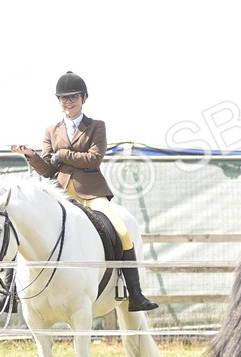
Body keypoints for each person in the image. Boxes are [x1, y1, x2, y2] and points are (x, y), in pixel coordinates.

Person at [10, 71, 157, 312]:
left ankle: (135, 294)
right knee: (26, 231)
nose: (68, 102)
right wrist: (32, 156)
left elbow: (94, 159)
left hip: (90, 192)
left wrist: (62, 155)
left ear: (84, 98)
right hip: (59, 195)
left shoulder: (96, 126)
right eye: (63, 98)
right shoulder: (51, 130)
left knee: (122, 231)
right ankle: (12, 293)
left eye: (73, 97)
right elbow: (48, 170)